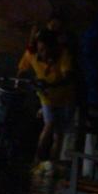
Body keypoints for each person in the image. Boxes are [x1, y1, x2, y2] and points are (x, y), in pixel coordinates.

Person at [18, 27, 76, 170]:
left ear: (53, 47)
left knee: (59, 133)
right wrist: (31, 82)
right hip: (46, 97)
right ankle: (37, 161)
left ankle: (52, 163)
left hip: (65, 98)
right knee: (49, 125)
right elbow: (21, 71)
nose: (42, 53)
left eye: (45, 49)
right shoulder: (32, 54)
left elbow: (68, 77)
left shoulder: (63, 55)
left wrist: (50, 84)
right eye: (40, 49)